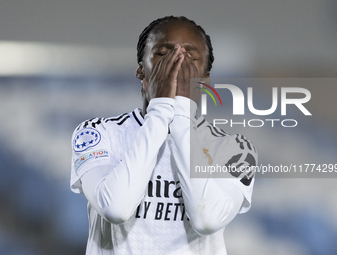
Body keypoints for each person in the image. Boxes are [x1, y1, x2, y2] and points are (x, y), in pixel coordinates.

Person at [70, 16, 257, 255]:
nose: (177, 65)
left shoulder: (235, 148)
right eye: (163, 54)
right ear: (141, 69)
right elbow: (116, 208)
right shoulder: (97, 133)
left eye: (190, 57)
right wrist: (159, 112)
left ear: (205, 79)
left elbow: (206, 219)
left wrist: (181, 116)